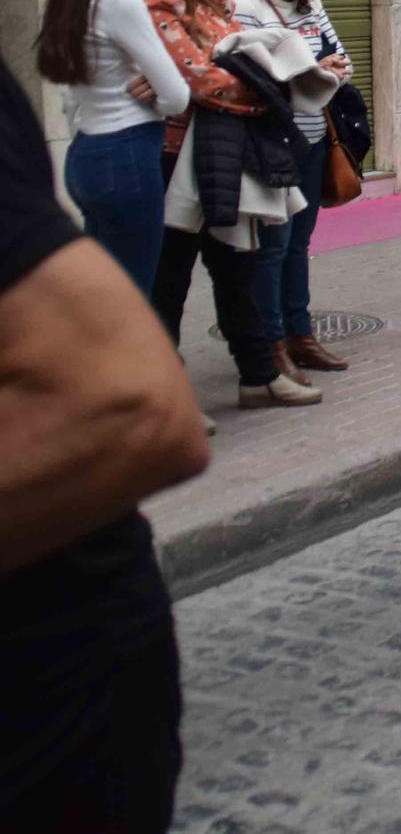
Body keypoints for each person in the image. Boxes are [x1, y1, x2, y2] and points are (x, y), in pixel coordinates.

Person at [0, 54, 211, 832]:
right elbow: (187, 88)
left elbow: (129, 402)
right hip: (128, 150)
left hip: (47, 699)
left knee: (144, 296)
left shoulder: (96, 1)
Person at [132, 0, 319, 411]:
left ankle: (258, 376)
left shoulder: (209, 5)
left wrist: (255, 77)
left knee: (237, 265)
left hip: (222, 150)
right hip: (175, 159)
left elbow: (233, 68)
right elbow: (205, 80)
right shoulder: (155, 9)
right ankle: (166, 396)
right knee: (170, 277)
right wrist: (270, 84)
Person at [34, 0, 192, 291]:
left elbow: (72, 92)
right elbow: (177, 94)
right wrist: (156, 99)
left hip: (86, 152)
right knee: (132, 294)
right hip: (127, 156)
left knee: (101, 289)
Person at [229, 0, 353, 380]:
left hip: (314, 140)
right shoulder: (243, 7)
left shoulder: (310, 3)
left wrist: (321, 70)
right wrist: (314, 70)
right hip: (270, 145)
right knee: (272, 248)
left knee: (299, 245)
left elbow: (345, 62)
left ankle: (302, 337)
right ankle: (273, 345)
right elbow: (243, 80)